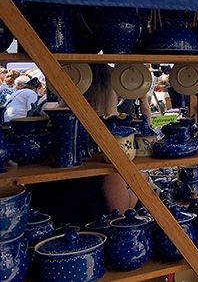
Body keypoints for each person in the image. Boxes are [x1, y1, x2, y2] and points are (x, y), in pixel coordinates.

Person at [28, 63, 139, 225]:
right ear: (108, 94)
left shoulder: (49, 134)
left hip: (44, 232)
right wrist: (141, 182)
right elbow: (120, 209)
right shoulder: (107, 142)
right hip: (91, 236)